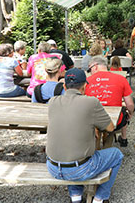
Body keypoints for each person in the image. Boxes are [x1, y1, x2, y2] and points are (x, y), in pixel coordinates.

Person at [46, 68, 124, 203]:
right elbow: (110, 128)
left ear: (64, 86)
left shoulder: (53, 101)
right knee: (116, 154)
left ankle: (75, 196)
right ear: (85, 86)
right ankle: (100, 198)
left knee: (70, 146)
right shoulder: (91, 102)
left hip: (53, 167)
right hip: (80, 169)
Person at [84, 56, 135, 147]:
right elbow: (130, 104)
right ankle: (113, 142)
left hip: (91, 120)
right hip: (115, 121)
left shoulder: (86, 82)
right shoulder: (121, 78)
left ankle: (97, 147)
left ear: (95, 66)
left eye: (90, 69)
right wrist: (130, 113)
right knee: (117, 119)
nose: (90, 72)